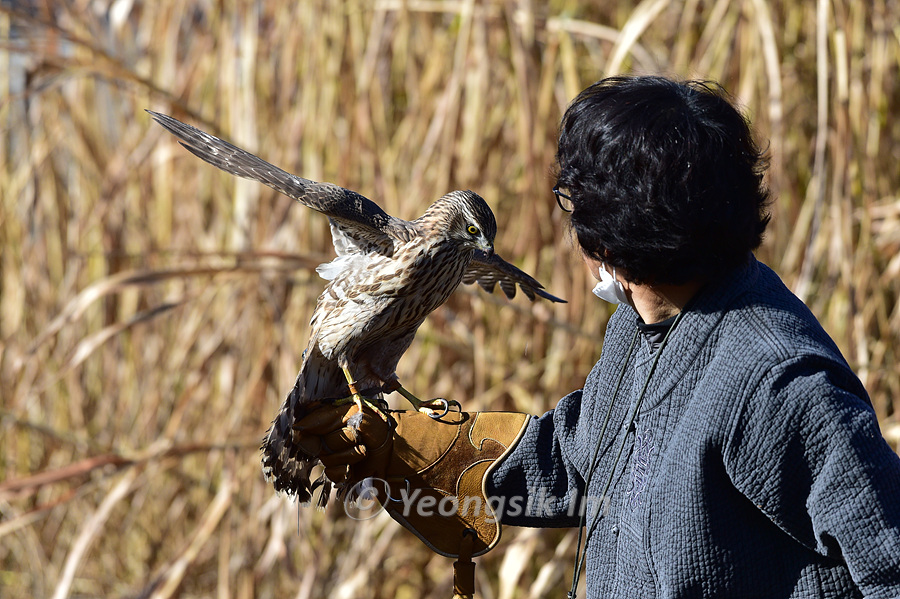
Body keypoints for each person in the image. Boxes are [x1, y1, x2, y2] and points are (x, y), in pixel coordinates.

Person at [294, 75, 900, 598]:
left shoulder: (778, 381)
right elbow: (588, 461)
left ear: (608, 242)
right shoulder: (642, 328)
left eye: (571, 205)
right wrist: (423, 457)